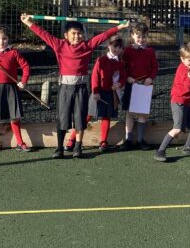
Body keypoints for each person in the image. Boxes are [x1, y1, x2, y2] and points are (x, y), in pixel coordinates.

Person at [20, 13, 129, 158]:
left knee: (80, 117)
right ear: (66, 35)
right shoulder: (59, 45)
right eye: (73, 34)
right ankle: (59, 148)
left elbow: (103, 36)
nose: (76, 36)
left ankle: (78, 147)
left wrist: (119, 27)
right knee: (62, 117)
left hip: (81, 88)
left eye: (79, 34)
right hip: (65, 87)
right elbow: (43, 34)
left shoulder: (87, 46)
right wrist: (29, 23)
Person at [155, 42, 190, 162]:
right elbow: (187, 87)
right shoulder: (182, 70)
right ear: (182, 59)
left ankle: (188, 147)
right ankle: (160, 151)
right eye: (189, 60)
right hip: (178, 102)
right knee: (177, 129)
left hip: (186, 103)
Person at [121, 21, 158, 150]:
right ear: (132, 35)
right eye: (138, 36)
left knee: (142, 114)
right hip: (131, 85)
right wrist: (127, 77)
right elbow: (122, 67)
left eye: (143, 37)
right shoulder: (127, 51)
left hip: (144, 85)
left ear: (147, 36)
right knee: (130, 113)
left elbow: (154, 67)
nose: (141, 39)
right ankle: (128, 140)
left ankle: (141, 140)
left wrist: (150, 78)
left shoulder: (150, 51)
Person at [90, 35, 126, 152]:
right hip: (98, 92)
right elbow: (95, 76)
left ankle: (103, 141)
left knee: (107, 116)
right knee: (88, 115)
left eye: (120, 48)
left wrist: (119, 84)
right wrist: (95, 91)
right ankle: (73, 139)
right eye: (115, 46)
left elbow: (123, 78)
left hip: (111, 93)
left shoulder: (120, 63)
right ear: (109, 45)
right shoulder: (101, 60)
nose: (117, 50)